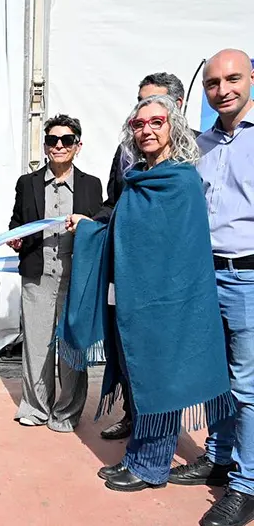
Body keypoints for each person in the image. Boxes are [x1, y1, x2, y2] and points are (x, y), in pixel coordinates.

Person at [63, 95, 235, 492]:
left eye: (156, 122)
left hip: (168, 303)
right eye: (139, 124)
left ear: (172, 125)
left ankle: (151, 467)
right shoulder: (138, 176)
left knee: (160, 382)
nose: (147, 130)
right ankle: (138, 457)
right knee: (140, 379)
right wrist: (91, 228)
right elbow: (126, 231)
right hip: (134, 301)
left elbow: (177, 248)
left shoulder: (180, 179)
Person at [170, 48, 254, 526]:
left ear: (251, 79)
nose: (223, 90)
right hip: (206, 276)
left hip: (247, 276)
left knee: (247, 387)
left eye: (233, 79)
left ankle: (246, 485)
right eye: (214, 83)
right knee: (213, 378)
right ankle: (220, 456)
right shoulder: (200, 146)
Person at [94, 72, 197, 441]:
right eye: (139, 115)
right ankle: (135, 423)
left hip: (166, 288)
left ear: (176, 111)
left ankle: (154, 452)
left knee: (160, 369)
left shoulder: (188, 166)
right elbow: (115, 205)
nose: (145, 123)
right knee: (129, 358)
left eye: (156, 114)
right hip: (128, 281)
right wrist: (92, 226)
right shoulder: (131, 162)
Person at [7, 114, 102, 432]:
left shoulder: (91, 185)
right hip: (37, 276)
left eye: (66, 140)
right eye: (52, 140)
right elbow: (16, 222)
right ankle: (35, 407)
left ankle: (67, 412)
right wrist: (15, 236)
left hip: (77, 279)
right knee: (36, 345)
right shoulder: (28, 183)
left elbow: (100, 224)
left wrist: (86, 223)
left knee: (73, 347)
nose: (59, 145)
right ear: (46, 146)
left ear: (78, 145)